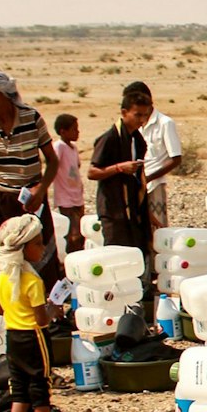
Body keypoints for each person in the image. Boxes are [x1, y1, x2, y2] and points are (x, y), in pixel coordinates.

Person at [0, 65, 60, 279]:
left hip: (30, 203)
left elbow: (53, 161)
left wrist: (41, 189)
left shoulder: (31, 118)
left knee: (41, 266)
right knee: (0, 270)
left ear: (2, 92)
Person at [0, 215, 59, 412]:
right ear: (22, 248)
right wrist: (54, 309)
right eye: (38, 244)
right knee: (40, 393)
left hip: (13, 337)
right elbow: (41, 319)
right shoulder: (33, 281)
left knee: (18, 394)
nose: (42, 249)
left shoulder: (2, 278)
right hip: (34, 338)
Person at [88, 83, 156, 307]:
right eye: (138, 115)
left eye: (145, 116)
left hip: (133, 211)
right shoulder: (110, 138)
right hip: (114, 210)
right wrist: (119, 168)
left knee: (135, 256)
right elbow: (92, 172)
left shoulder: (137, 139)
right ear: (124, 112)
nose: (141, 120)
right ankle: (113, 304)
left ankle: (134, 302)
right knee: (116, 259)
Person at [138, 86, 183, 229]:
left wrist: (149, 178)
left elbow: (176, 158)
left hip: (154, 184)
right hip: (137, 183)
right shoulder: (137, 125)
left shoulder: (165, 123)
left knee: (158, 227)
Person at [51, 114, 84, 254]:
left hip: (77, 196)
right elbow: (53, 166)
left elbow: (76, 166)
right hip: (65, 198)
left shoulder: (73, 148)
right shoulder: (59, 147)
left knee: (81, 231)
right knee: (71, 234)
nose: (77, 132)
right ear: (63, 131)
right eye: (74, 129)